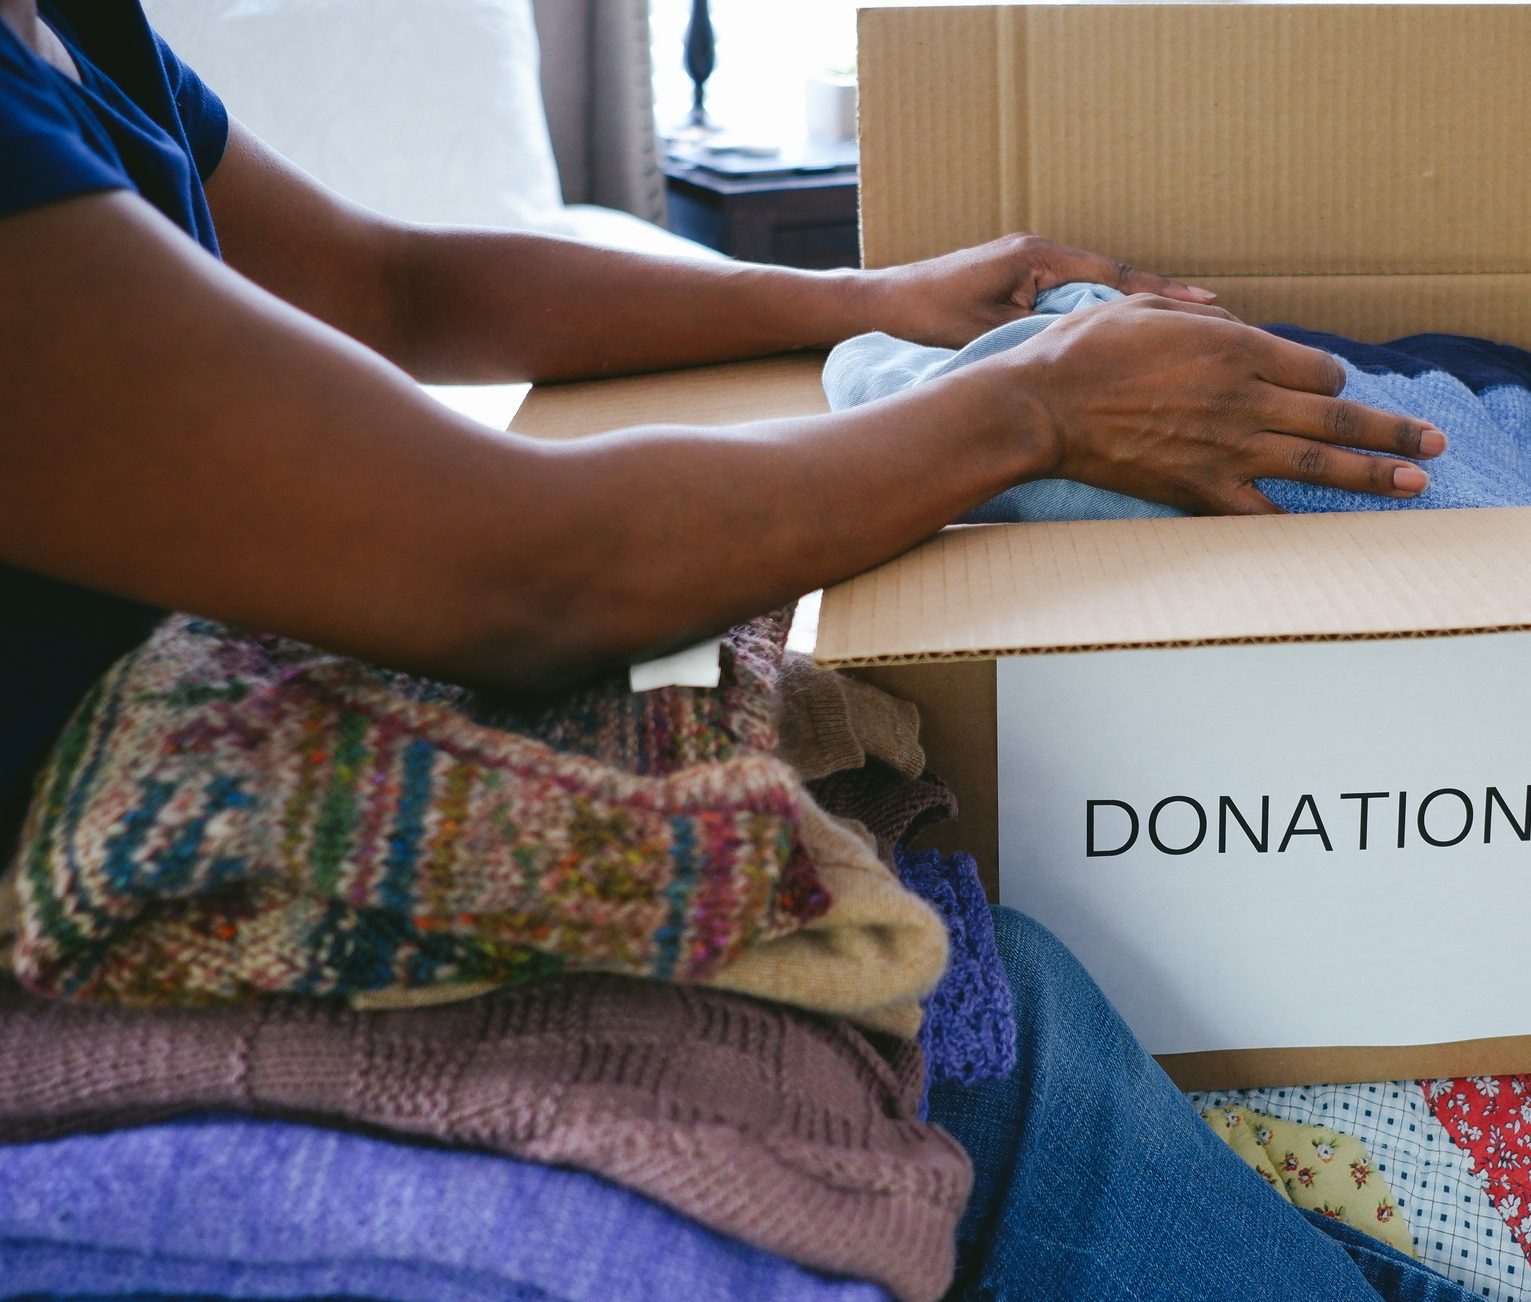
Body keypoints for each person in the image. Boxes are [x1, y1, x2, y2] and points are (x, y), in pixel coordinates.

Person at [0, 0, 1445, 842]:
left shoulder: (78, 24)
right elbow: (516, 569)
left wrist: (860, 298)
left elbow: (390, 281)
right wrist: (1036, 407)